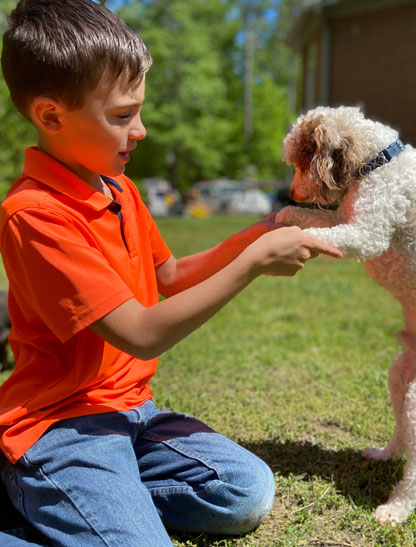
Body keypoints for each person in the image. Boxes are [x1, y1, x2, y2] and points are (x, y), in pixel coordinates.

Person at [0, 1, 341, 545]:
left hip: (135, 416)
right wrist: (253, 265)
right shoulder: (35, 214)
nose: (140, 130)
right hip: (61, 430)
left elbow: (173, 274)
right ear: (50, 116)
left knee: (243, 491)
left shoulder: (120, 189)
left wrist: (262, 230)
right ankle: (42, 492)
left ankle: (77, 507)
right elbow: (140, 332)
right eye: (120, 115)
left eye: (139, 111)